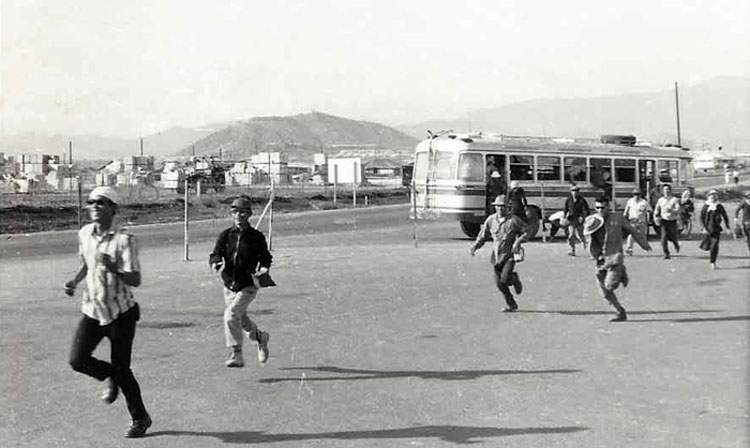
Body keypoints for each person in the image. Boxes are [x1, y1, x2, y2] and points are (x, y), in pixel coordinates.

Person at [63, 186, 152, 438]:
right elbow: (86, 263)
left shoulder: (125, 241)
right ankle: (110, 375)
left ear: (113, 208)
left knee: (123, 368)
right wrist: (74, 281)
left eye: (101, 202)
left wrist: (114, 268)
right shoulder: (84, 234)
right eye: (91, 202)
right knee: (77, 360)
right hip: (92, 310)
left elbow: (135, 279)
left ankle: (140, 418)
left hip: (121, 314)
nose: (94, 206)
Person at [209, 195, 273, 367]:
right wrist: (215, 263)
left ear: (249, 214)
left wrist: (265, 268)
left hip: (249, 285)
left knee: (230, 316)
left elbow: (266, 257)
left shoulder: (256, 237)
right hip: (229, 285)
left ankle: (236, 353)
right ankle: (260, 337)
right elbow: (215, 253)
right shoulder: (225, 235)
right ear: (232, 214)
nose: (239, 215)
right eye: (236, 212)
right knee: (241, 319)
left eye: (244, 212)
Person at [584, 195, 652, 322]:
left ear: (608, 207)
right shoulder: (592, 220)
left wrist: (643, 243)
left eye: (603, 207)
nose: (600, 210)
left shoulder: (618, 218)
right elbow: (588, 238)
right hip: (601, 259)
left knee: (609, 286)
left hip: (615, 257)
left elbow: (632, 230)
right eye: (597, 208)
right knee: (603, 292)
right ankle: (620, 312)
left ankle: (621, 272)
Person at [470, 195, 527, 312]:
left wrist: (518, 241)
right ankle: (512, 305)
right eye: (498, 206)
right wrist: (475, 246)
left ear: (508, 207)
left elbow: (527, 232)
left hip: (509, 256)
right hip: (496, 257)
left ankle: (514, 279)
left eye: (503, 207)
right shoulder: (490, 220)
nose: (500, 209)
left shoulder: (514, 220)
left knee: (505, 280)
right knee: (500, 284)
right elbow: (483, 236)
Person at [699, 190, 731, 270]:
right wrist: (703, 228)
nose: (713, 197)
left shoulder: (719, 206)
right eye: (711, 196)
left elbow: (725, 216)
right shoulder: (705, 206)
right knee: (708, 245)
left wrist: (727, 227)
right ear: (708, 197)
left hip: (716, 229)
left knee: (714, 245)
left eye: (714, 196)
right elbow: (701, 217)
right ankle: (711, 257)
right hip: (708, 229)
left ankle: (713, 262)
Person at [653, 184, 681, 259]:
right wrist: (656, 214)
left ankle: (676, 244)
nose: (666, 191)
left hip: (672, 220)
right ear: (663, 191)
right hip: (663, 221)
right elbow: (657, 209)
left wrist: (672, 210)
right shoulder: (660, 200)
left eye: (668, 189)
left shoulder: (674, 199)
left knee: (673, 236)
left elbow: (678, 210)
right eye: (665, 189)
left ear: (670, 190)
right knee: (663, 238)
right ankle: (666, 254)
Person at [563, 184, 590, 257]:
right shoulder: (568, 200)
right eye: (573, 190)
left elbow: (586, 210)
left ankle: (588, 247)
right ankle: (572, 250)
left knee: (581, 235)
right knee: (571, 235)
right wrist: (565, 217)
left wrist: (582, 217)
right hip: (571, 219)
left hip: (579, 220)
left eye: (576, 190)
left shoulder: (582, 200)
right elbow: (565, 209)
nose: (574, 192)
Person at [622, 188, 651, 255]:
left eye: (638, 194)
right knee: (631, 235)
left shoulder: (644, 202)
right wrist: (624, 217)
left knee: (642, 235)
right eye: (635, 194)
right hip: (632, 220)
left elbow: (649, 210)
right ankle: (629, 249)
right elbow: (626, 210)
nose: (636, 196)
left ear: (640, 195)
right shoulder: (630, 201)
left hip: (641, 221)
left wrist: (648, 219)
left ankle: (645, 247)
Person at [734, 190, 750, 254]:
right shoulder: (743, 202)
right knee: (748, 236)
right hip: (746, 222)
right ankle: (749, 247)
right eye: (748, 196)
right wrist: (736, 219)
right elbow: (737, 210)